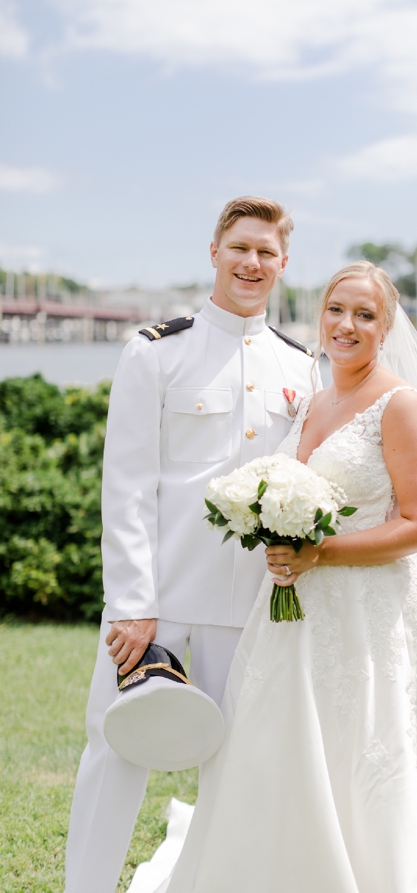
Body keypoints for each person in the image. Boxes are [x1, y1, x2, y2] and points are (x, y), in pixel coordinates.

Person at [147, 261, 417, 892]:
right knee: (287, 751)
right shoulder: (312, 400)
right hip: (297, 612)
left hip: (375, 613)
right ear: (320, 315)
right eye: (336, 310)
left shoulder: (400, 405)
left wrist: (321, 551)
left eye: (364, 315)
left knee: (376, 754)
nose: (347, 325)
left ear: (386, 328)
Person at [64, 197, 319, 893]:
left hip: (254, 612)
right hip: (163, 603)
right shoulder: (156, 351)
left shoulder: (300, 367)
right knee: (115, 757)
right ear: (215, 250)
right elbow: (126, 488)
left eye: (267, 252)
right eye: (240, 246)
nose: (252, 262)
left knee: (241, 773)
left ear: (283, 264)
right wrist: (132, 604)